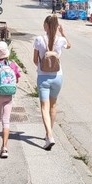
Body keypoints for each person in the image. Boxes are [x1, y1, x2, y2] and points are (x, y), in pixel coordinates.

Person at [33, 14, 71, 150]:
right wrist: (63, 33)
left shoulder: (39, 39)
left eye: (44, 24)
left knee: (44, 107)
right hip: (57, 77)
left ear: (47, 26)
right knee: (53, 106)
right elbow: (69, 45)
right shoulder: (60, 40)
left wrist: (42, 67)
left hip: (43, 77)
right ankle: (49, 133)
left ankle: (49, 136)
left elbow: (35, 60)